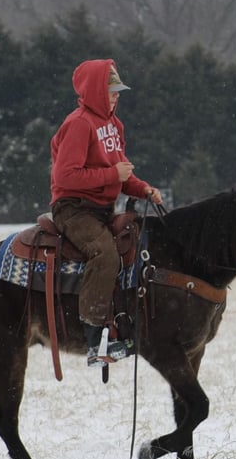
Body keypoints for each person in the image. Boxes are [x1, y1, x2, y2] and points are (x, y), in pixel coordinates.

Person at [49, 59, 163, 368]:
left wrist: (144, 189)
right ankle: (94, 339)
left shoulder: (114, 125)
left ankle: (125, 330)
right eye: (111, 92)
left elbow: (123, 174)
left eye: (118, 92)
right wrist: (112, 175)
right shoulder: (79, 124)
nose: (116, 97)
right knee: (105, 254)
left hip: (102, 209)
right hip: (73, 209)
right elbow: (66, 178)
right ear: (95, 91)